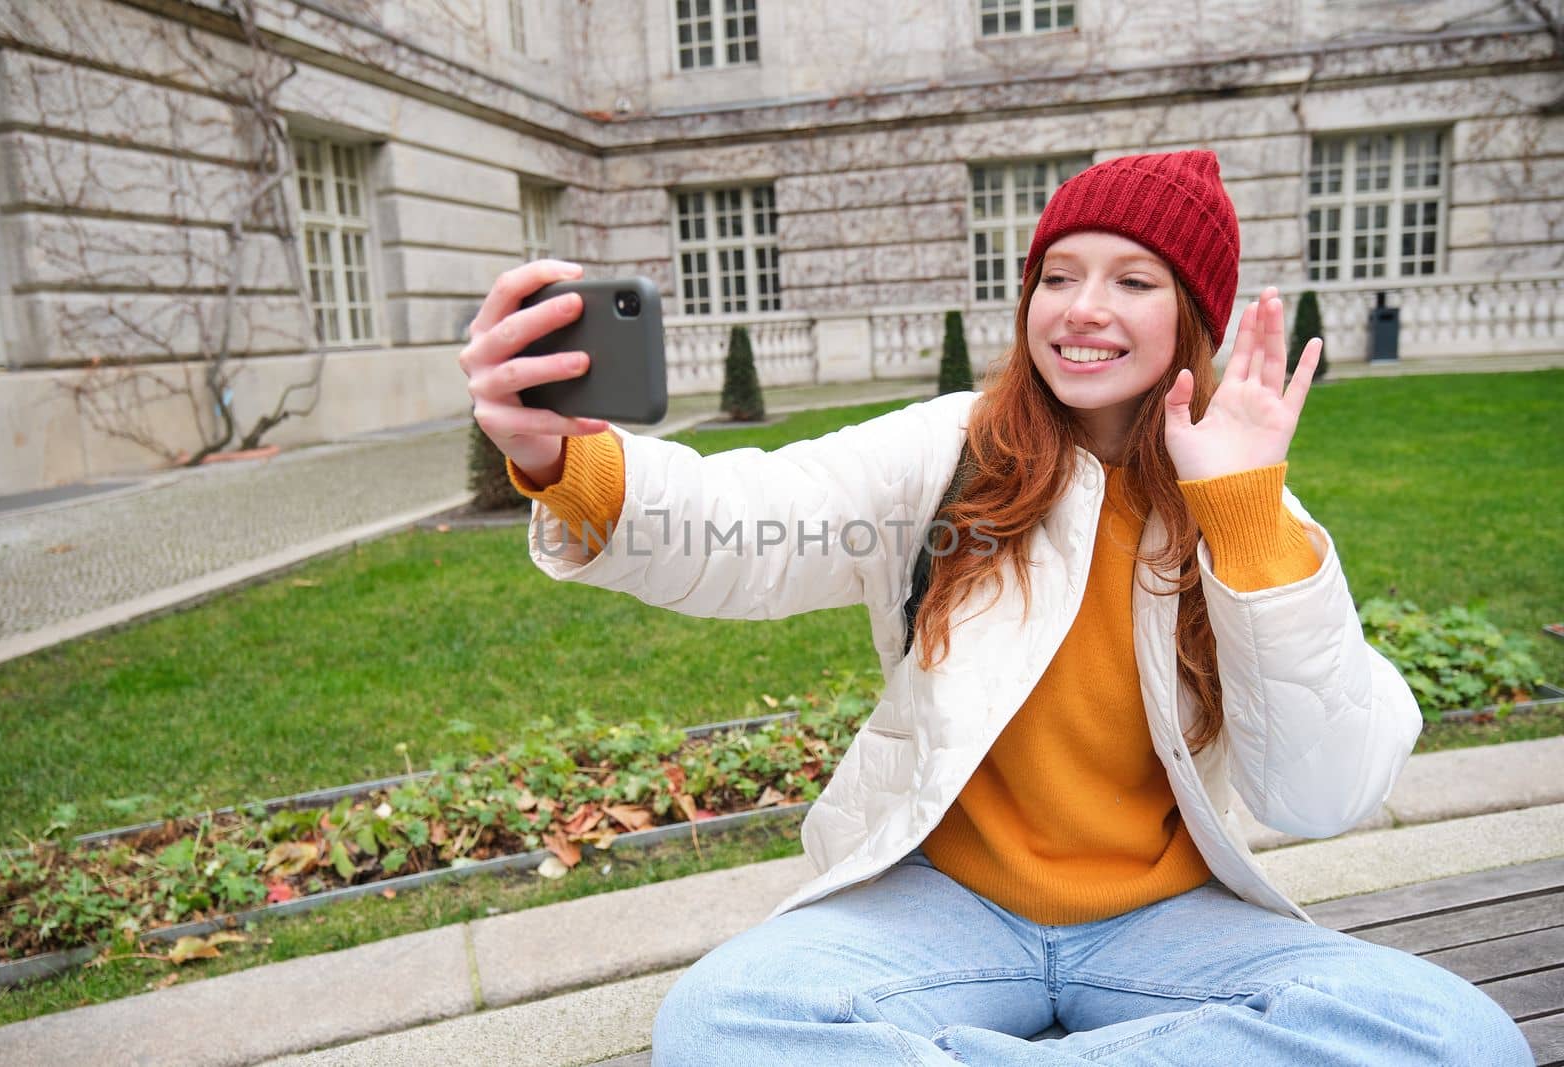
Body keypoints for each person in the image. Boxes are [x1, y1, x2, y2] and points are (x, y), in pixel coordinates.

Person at [459, 151, 1532, 1065]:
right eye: (1056, 275)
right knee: (723, 1020)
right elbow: (747, 519)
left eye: (1133, 279)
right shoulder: (948, 452)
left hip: (1165, 922)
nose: (1081, 307)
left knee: (1449, 1032)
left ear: (1192, 313)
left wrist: (1244, 515)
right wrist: (561, 457)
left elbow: (1321, 792)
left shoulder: (1248, 502)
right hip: (939, 907)